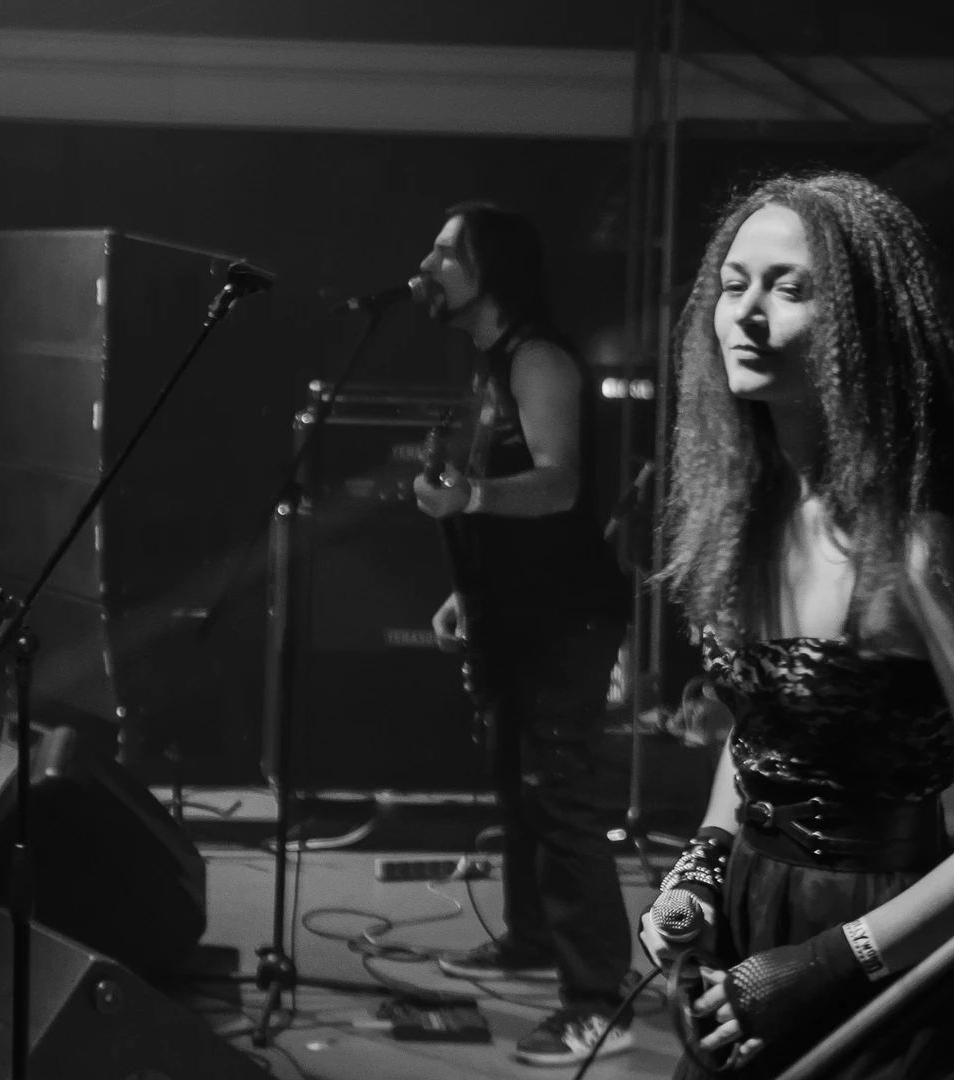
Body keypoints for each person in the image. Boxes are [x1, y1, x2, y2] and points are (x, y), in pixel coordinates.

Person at [637, 170, 954, 1078]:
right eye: (733, 284)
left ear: (863, 326)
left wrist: (829, 964)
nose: (745, 313)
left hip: (888, 941)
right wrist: (702, 867)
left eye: (789, 288)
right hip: (755, 916)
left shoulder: (923, 546)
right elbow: (760, 731)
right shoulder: (748, 518)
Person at [410, 202, 635, 1067]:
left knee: (560, 797)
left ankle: (598, 1002)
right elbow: (496, 505)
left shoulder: (538, 358)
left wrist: (468, 497)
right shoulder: (490, 365)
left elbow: (559, 485)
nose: (426, 265)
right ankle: (534, 938)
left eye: (445, 251)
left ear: (489, 270)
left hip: (564, 618)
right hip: (509, 612)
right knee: (517, 786)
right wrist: (464, 589)